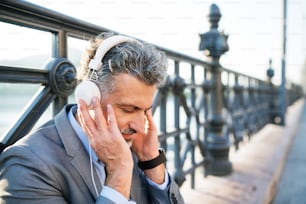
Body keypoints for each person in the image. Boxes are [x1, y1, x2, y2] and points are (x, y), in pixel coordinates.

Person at [0, 33, 184, 204]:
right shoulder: (28, 164)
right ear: (88, 98)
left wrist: (152, 163)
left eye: (145, 111)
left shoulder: (137, 147)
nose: (139, 126)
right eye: (128, 109)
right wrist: (119, 173)